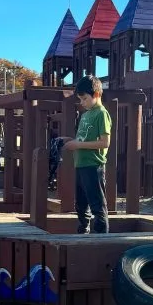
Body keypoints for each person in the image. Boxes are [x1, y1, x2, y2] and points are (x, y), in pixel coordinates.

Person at [62, 75, 111, 234]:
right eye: (80, 99)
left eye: (84, 99)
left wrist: (78, 144)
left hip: (94, 165)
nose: (82, 103)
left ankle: (102, 239)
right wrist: (70, 140)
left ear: (96, 94)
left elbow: (105, 143)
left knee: (97, 205)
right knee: (81, 205)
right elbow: (83, 139)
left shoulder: (101, 114)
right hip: (80, 164)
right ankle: (83, 233)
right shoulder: (85, 115)